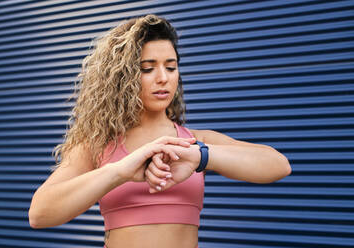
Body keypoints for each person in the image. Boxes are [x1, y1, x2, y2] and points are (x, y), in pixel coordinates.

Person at [28, 14, 291, 248]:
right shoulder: (98, 146)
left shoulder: (195, 142)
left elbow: (278, 165)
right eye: (147, 68)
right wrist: (120, 171)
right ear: (124, 77)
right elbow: (40, 214)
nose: (163, 77)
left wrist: (201, 157)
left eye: (171, 66)